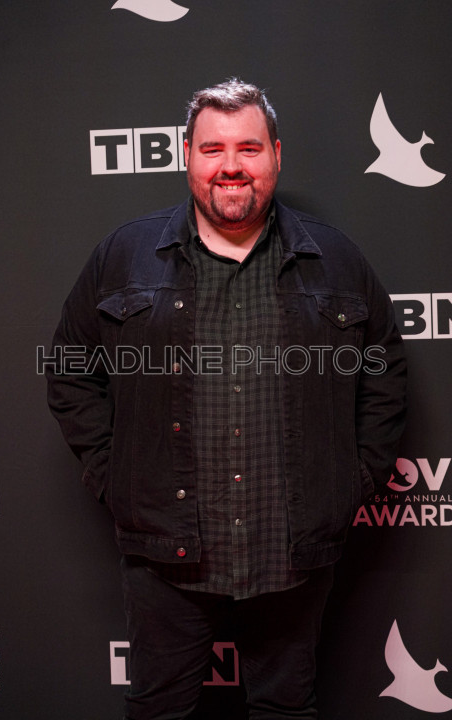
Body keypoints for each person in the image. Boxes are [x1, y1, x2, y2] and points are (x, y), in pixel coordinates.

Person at [46, 78, 406, 719]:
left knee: (285, 709)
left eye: (249, 148)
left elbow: (383, 374)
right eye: (213, 149)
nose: (231, 165)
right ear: (187, 155)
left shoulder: (336, 260)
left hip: (290, 550)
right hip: (166, 553)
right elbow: (71, 367)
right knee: (159, 711)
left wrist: (351, 482)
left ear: (276, 155)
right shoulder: (124, 256)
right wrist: (112, 474)